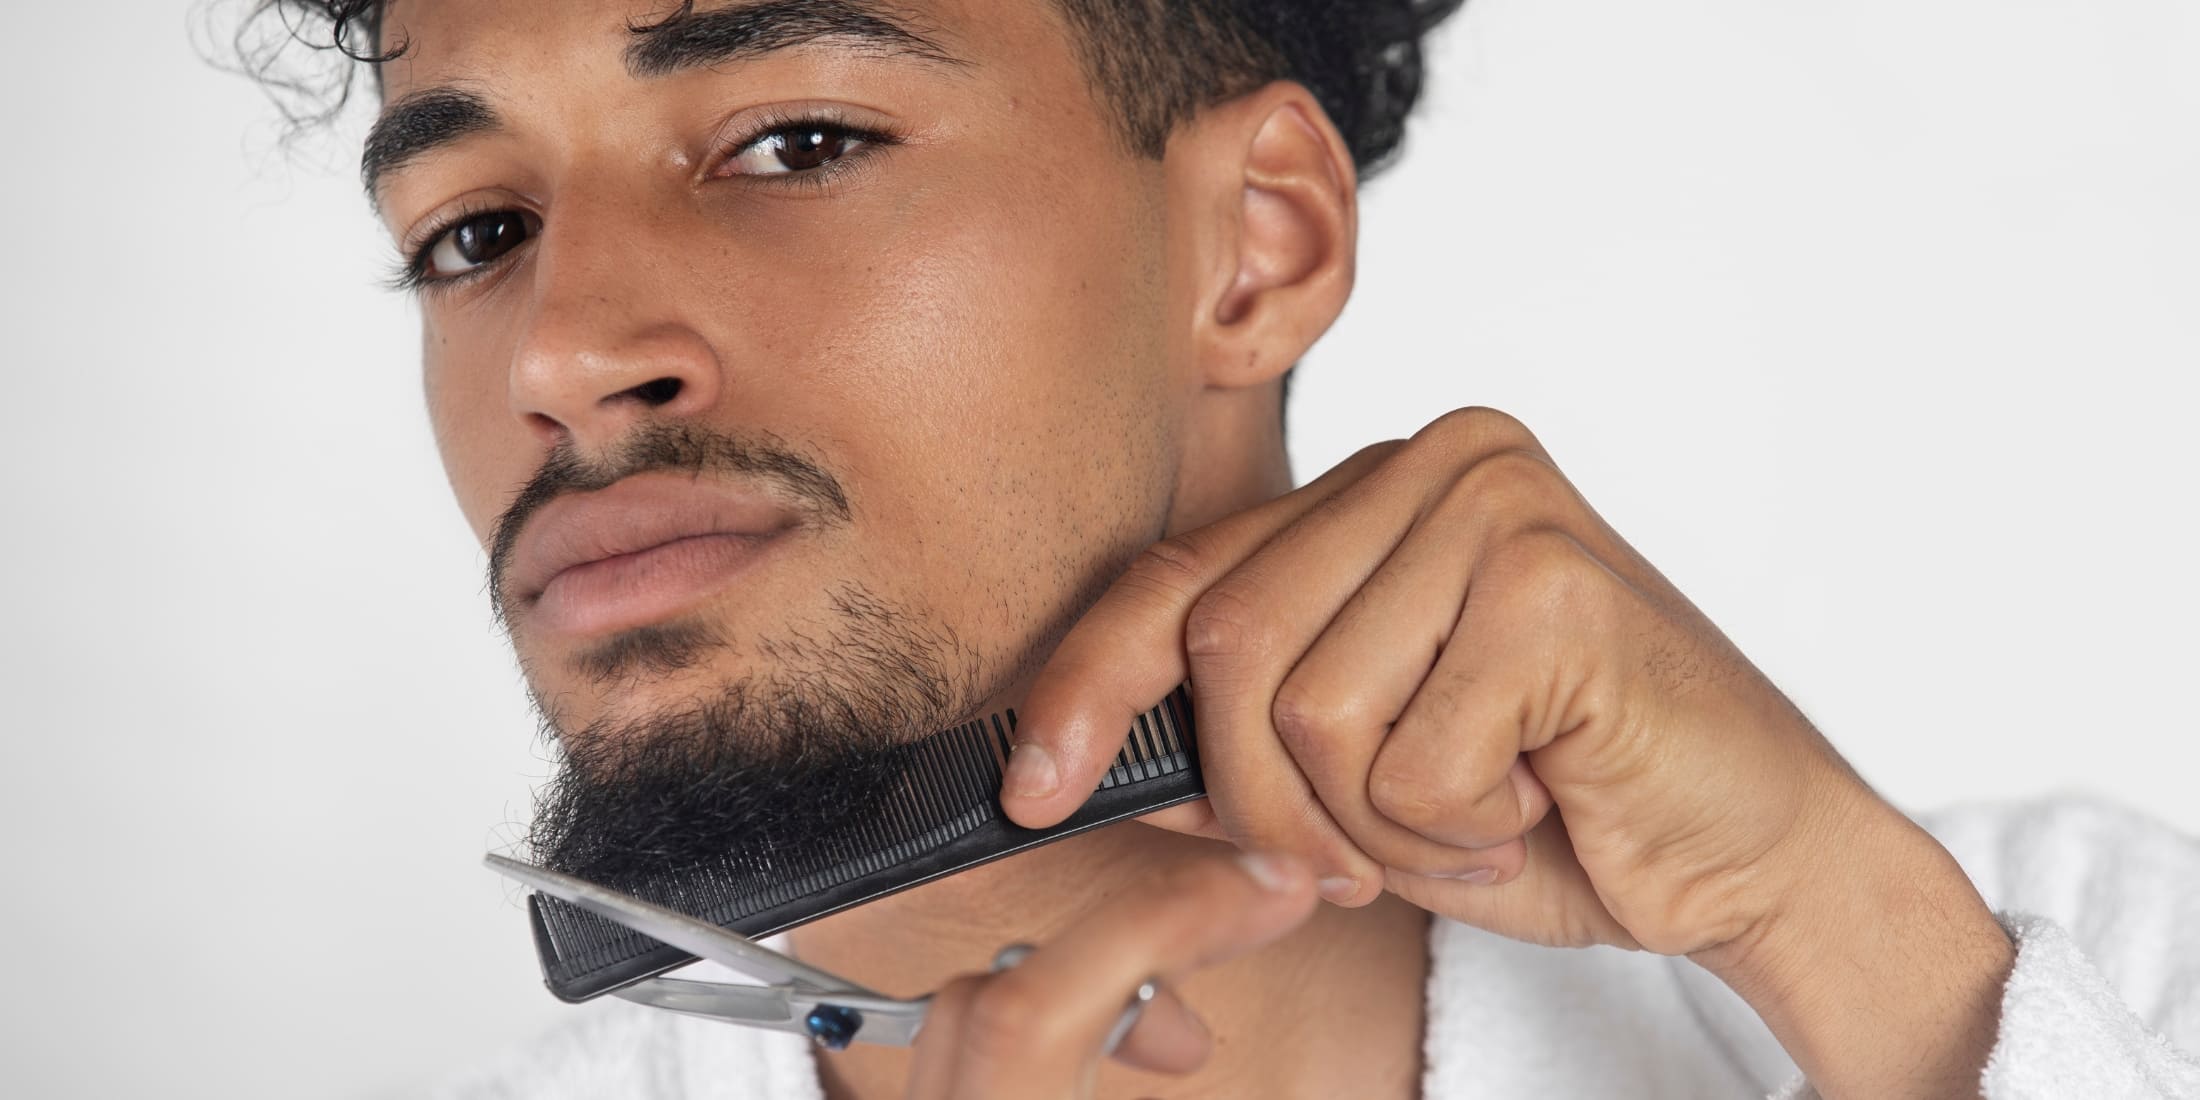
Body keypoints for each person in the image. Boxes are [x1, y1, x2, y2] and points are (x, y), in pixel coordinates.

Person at [236, 1, 2200, 1096]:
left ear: (1251, 245)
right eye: (468, 237)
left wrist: (1863, 958)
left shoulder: (2057, 973)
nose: (562, 356)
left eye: (792, 143)